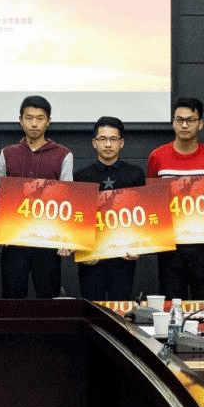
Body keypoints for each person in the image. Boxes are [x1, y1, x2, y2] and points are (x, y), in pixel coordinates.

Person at [146, 97, 204, 300]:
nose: (184, 125)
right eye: (179, 120)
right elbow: (150, 201)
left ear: (200, 123)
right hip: (170, 246)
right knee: (172, 305)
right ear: (173, 122)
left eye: (190, 120)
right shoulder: (157, 157)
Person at [0, 95, 74, 299]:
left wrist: (66, 238)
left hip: (48, 243)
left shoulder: (63, 154)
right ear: (20, 120)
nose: (34, 123)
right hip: (14, 240)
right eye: (29, 118)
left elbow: (68, 199)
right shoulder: (7, 153)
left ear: (48, 121)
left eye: (40, 118)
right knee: (12, 299)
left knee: (48, 300)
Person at [74, 116, 145, 301]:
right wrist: (80, 251)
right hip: (91, 259)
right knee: (91, 309)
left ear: (121, 143)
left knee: (120, 309)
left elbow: (144, 216)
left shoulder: (135, 174)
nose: (107, 144)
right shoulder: (81, 176)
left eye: (113, 139)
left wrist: (140, 247)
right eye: (103, 139)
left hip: (124, 257)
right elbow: (76, 219)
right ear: (94, 142)